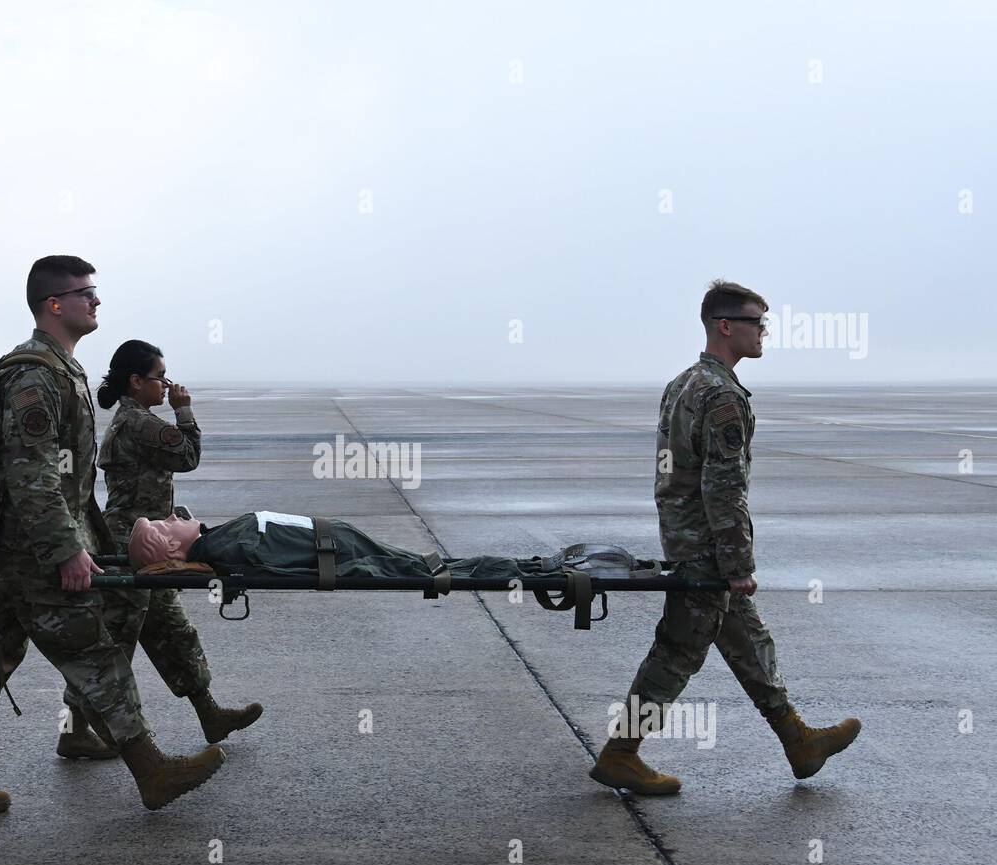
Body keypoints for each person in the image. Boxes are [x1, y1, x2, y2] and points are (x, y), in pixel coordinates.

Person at [0, 255, 224, 814]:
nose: (97, 301)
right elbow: (30, 474)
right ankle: (151, 771)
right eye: (87, 293)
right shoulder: (35, 375)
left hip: (15, 547)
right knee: (94, 654)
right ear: (55, 304)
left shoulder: (60, 369)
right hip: (35, 549)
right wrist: (66, 549)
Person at [588, 279, 861, 795]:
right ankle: (621, 752)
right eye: (758, 322)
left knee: (747, 640)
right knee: (677, 653)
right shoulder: (721, 397)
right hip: (707, 551)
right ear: (725, 326)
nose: (765, 332)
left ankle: (798, 741)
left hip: (687, 539)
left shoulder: (684, 383)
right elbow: (723, 487)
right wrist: (736, 566)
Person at [56, 340, 262, 758]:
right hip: (133, 547)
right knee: (114, 640)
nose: (167, 385)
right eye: (159, 377)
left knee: (173, 631)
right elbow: (188, 456)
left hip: (151, 546)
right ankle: (76, 730)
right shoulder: (138, 423)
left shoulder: (132, 419)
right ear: (136, 382)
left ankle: (210, 714)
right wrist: (183, 410)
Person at [126, 511, 648, 580]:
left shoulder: (221, 538)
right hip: (349, 555)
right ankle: (541, 571)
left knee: (441, 565)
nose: (176, 515)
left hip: (347, 545)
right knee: (442, 572)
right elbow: (289, 565)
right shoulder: (226, 546)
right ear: (170, 547)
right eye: (168, 523)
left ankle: (538, 567)